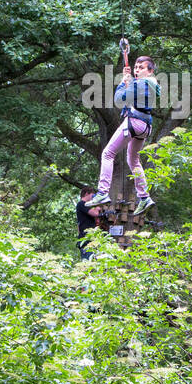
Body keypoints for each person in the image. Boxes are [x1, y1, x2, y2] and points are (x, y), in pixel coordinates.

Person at [87, 54, 160, 216]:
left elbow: (119, 99)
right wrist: (128, 80)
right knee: (133, 160)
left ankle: (102, 192)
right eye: (135, 67)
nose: (137, 70)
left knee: (107, 154)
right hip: (145, 125)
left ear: (150, 71)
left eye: (141, 68)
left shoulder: (141, 83)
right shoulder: (151, 84)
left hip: (134, 122)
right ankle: (144, 196)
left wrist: (123, 82)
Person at [76, 188, 103, 260]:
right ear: (86, 194)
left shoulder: (86, 206)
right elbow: (95, 213)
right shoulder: (81, 204)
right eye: (92, 195)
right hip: (86, 241)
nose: (93, 198)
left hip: (91, 240)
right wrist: (98, 207)